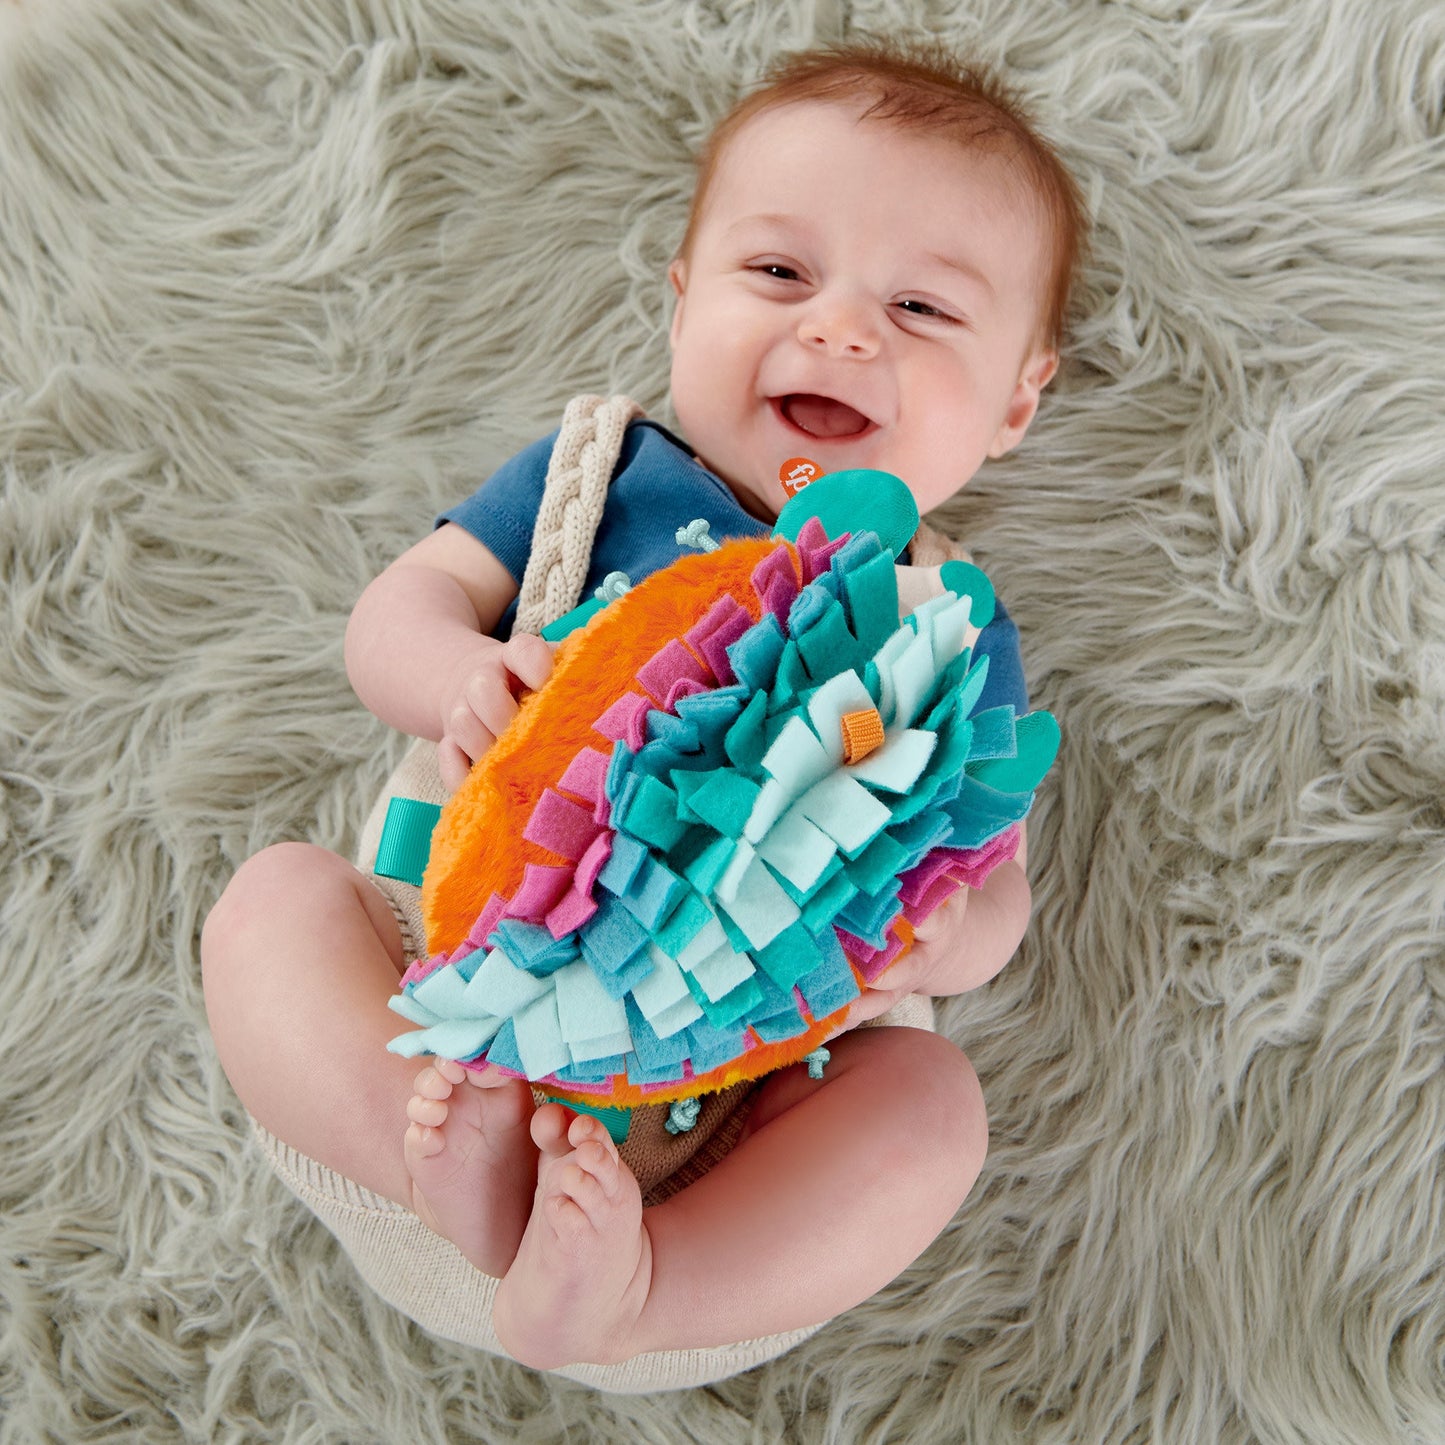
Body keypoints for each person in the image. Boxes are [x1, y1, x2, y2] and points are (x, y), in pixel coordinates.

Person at [202, 40, 1087, 1373]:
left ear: (1015, 400)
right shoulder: (598, 477)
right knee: (271, 901)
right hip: (447, 1003)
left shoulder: (938, 624)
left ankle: (640, 1290)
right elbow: (389, 618)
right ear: (682, 305)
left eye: (920, 309)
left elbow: (991, 876)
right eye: (779, 273)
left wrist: (939, 928)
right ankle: (430, 1150)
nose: (839, 328)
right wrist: (459, 673)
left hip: (737, 1102)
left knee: (930, 1107)